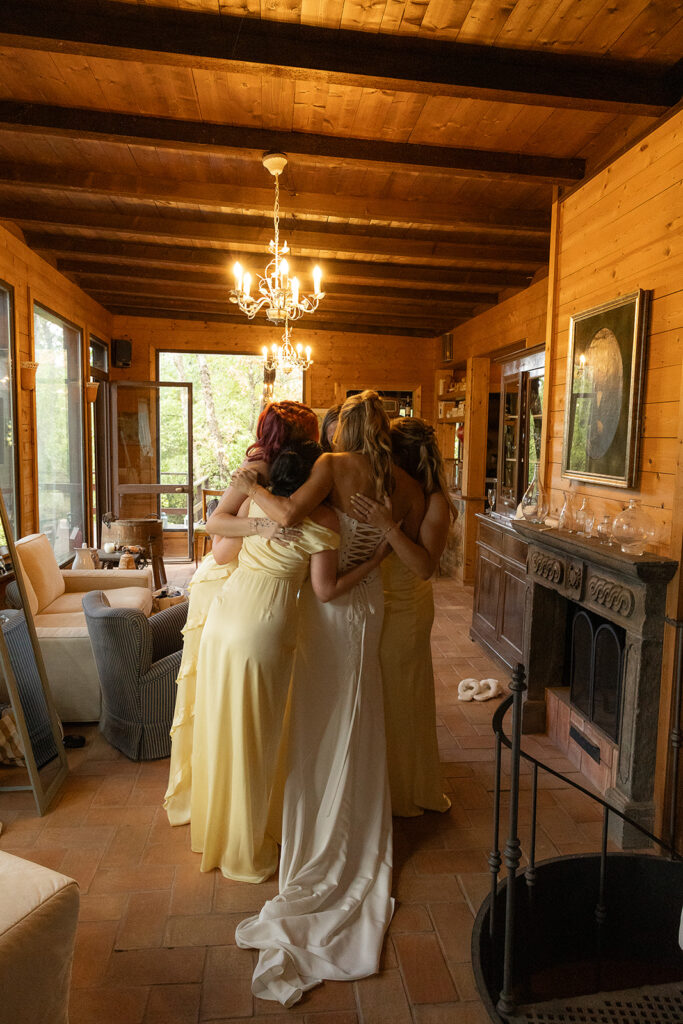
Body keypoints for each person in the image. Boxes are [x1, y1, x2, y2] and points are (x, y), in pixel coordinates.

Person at [230, 391, 423, 1005]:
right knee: (358, 716)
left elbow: (289, 518)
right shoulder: (402, 484)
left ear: (343, 427)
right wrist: (377, 556)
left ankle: (316, 825)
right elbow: (416, 558)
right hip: (368, 612)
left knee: (318, 721)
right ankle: (361, 818)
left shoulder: (331, 466)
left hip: (330, 608)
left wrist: (247, 483)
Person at [190, 439, 386, 884]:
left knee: (222, 727)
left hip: (225, 615)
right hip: (263, 626)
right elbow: (326, 590)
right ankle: (245, 847)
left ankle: (215, 834)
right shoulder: (324, 521)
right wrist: (373, 562)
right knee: (256, 737)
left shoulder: (255, 509)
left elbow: (218, 535)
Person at [163, 401, 319, 826]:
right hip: (229, 581)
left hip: (247, 578)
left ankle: (220, 796)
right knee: (211, 694)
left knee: (220, 695)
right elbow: (214, 525)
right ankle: (216, 796)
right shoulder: (261, 467)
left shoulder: (283, 467)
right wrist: (262, 527)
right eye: (309, 430)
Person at [351, 417, 456, 816]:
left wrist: (387, 528)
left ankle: (406, 788)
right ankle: (387, 779)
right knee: (388, 696)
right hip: (382, 601)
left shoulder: (435, 503)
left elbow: (425, 566)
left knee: (403, 697)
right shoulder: (392, 491)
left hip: (409, 606)